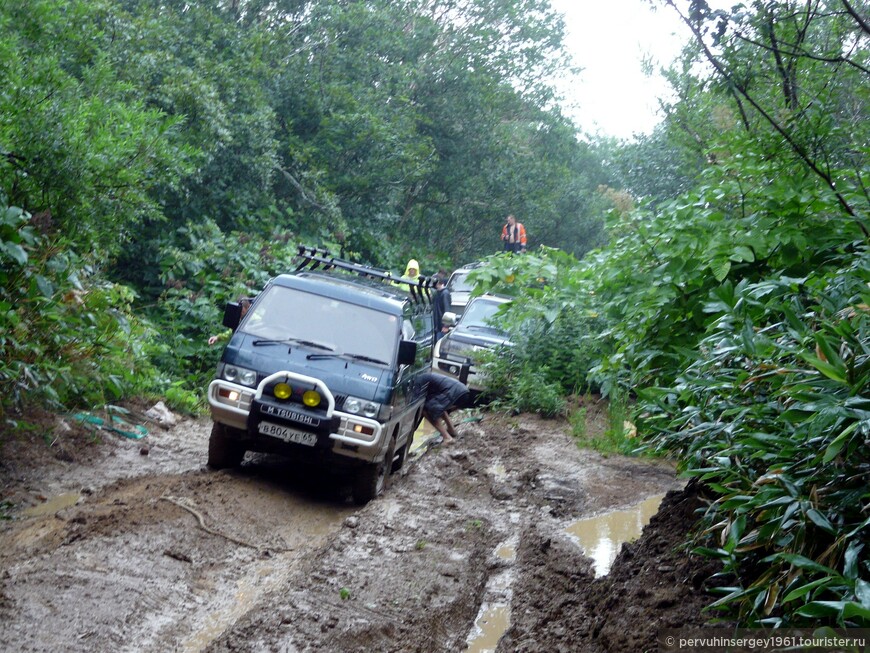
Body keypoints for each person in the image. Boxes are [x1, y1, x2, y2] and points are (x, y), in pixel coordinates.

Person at [420, 372, 470, 445]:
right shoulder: (425, 375)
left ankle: (447, 438)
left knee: (426, 410)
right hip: (463, 391)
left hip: (456, 393)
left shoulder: (418, 379)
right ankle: (451, 430)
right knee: (437, 405)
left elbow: (415, 398)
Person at [432, 272, 452, 341]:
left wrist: (446, 326)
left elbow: (447, 310)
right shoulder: (437, 293)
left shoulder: (445, 294)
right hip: (437, 326)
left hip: (442, 327)